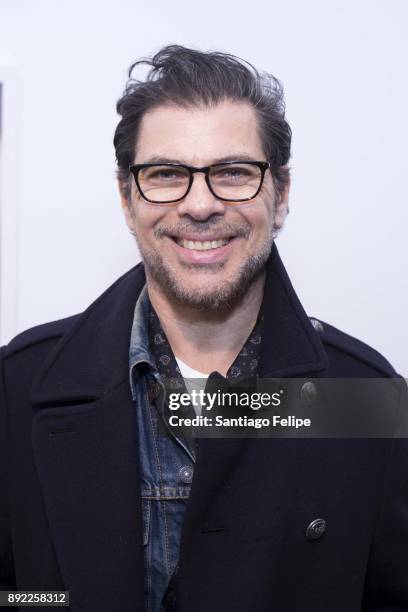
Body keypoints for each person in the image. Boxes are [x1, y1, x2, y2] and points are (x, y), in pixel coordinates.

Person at [0, 45, 407, 612]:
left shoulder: (368, 400)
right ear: (127, 197)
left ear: (281, 194)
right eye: (166, 174)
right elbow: (17, 595)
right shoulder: (19, 386)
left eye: (233, 172)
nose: (199, 204)